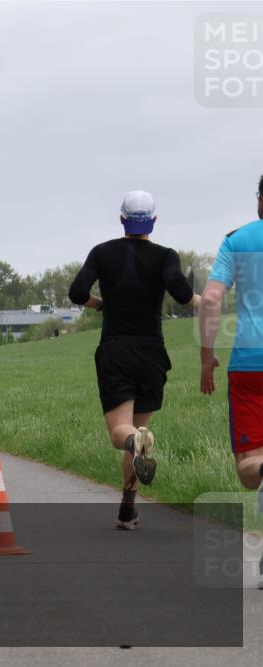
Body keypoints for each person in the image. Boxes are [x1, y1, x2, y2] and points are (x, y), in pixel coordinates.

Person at [69, 191, 199, 530]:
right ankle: (127, 511)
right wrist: (204, 299)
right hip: (152, 354)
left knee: (122, 434)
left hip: (116, 351)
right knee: (140, 429)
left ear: (122, 219)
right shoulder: (166, 256)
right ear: (153, 221)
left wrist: (100, 304)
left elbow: (76, 292)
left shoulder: (102, 252)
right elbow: (182, 294)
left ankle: (133, 444)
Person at [199, 175, 263, 523]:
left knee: (250, 466)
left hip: (250, 365)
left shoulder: (236, 240)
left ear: (261, 199)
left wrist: (207, 357)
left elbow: (210, 298)